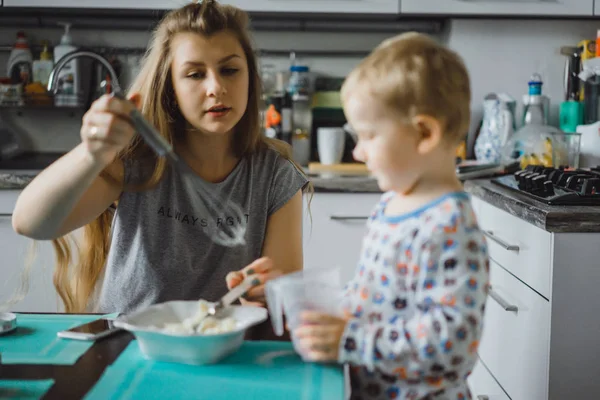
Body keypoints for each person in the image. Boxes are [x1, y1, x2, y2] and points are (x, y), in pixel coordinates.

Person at [11, 0, 308, 314]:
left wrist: (271, 292)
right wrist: (91, 154)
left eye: (230, 70)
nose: (216, 87)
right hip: (130, 346)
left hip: (226, 351)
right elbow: (30, 223)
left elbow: (280, 292)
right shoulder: (136, 161)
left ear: (251, 77)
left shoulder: (275, 177)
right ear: (170, 87)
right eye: (195, 74)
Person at [293, 33, 490, 399]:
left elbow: (450, 346)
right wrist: (328, 313)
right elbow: (373, 294)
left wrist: (350, 339)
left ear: (424, 133)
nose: (358, 152)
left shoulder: (450, 226)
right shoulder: (391, 204)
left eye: (368, 136)